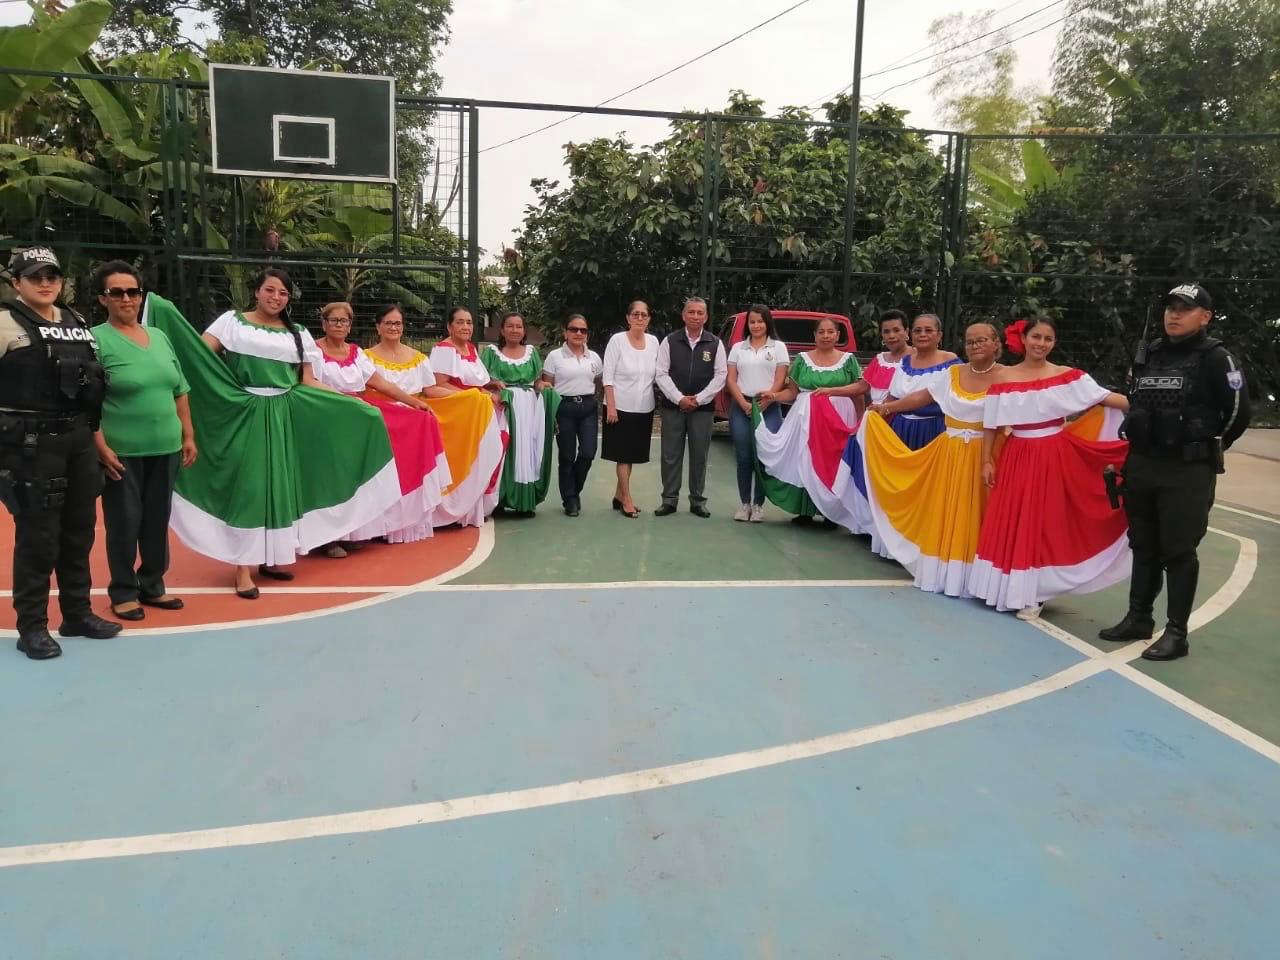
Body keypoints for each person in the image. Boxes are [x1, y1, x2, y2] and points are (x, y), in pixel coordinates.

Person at [144, 268, 399, 599]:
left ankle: (272, 557)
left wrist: (354, 403)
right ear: (257, 291)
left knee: (281, 485)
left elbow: (308, 381)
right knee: (250, 487)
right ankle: (242, 568)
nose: (276, 297)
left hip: (284, 416)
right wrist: (165, 315)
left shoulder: (299, 334)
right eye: (270, 290)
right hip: (245, 413)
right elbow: (198, 357)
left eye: (283, 293)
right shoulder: (231, 322)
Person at [1099, 283, 1252, 661]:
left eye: (1185, 308)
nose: (1174, 315)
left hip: (1186, 469)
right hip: (1144, 463)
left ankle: (1176, 633)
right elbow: (1137, 402)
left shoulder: (1216, 358)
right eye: (1170, 307)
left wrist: (1207, 446)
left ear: (1205, 316)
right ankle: (1138, 617)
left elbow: (1238, 413)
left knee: (1179, 550)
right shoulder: (1150, 353)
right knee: (1143, 544)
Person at [968, 317, 1131, 620]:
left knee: (1043, 522)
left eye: (1048, 338)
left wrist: (1150, 407)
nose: (1041, 343)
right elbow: (991, 423)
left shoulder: (1068, 376)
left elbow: (1107, 398)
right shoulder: (1004, 377)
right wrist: (987, 461)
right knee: (1012, 517)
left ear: (1054, 343)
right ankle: (1005, 588)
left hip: (1053, 455)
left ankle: (1036, 592)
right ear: (1023, 339)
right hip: (1016, 455)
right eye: (1036, 337)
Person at [0, 247, 117, 659]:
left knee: (79, 530)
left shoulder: (76, 322)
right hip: (30, 445)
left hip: (78, 439)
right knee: (39, 536)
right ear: (16, 283)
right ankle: (32, 626)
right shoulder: (4, 323)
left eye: (52, 276)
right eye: (35, 277)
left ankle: (77, 614)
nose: (46, 283)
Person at [862, 322, 1004, 596]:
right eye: (970, 341)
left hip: (986, 454)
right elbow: (922, 397)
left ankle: (979, 577)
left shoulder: (1007, 376)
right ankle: (949, 573)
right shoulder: (953, 373)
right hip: (950, 452)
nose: (975, 345)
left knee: (981, 513)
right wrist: (886, 407)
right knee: (948, 509)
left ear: (996, 343)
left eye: (982, 340)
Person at [91, 260, 197, 622]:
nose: (127, 299)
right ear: (103, 298)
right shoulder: (95, 340)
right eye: (117, 292)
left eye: (133, 292)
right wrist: (100, 445)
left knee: (156, 519)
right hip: (121, 452)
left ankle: (152, 583)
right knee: (124, 522)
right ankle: (123, 591)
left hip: (166, 448)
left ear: (141, 296)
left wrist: (188, 434)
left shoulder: (160, 337)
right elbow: (87, 401)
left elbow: (179, 389)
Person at [311, 301, 451, 547]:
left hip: (357, 416)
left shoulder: (356, 353)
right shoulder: (313, 351)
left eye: (344, 321)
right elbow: (307, 381)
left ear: (350, 325)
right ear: (324, 324)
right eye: (334, 320)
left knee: (356, 473)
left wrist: (413, 402)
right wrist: (342, 399)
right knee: (334, 474)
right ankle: (329, 539)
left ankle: (351, 533)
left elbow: (381, 383)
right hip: (328, 414)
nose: (339, 325)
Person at [364, 305, 505, 528]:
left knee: (411, 474)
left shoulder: (417, 358)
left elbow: (430, 390)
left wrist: (471, 397)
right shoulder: (365, 358)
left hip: (412, 423)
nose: (393, 327)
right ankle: (380, 524)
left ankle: (407, 522)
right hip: (383, 422)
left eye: (398, 323)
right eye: (388, 323)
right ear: (378, 327)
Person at [754, 316, 864, 528]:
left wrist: (859, 422)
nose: (825, 336)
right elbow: (792, 392)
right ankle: (805, 510)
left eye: (830, 332)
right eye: (821, 332)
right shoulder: (803, 360)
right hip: (807, 418)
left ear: (838, 335)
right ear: (814, 335)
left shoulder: (848, 360)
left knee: (834, 462)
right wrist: (773, 396)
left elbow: (858, 392)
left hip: (839, 419)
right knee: (805, 459)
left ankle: (831, 513)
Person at [654, 296, 727, 518]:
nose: (695, 316)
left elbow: (721, 375)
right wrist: (679, 398)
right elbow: (661, 373)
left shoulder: (715, 343)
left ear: (706, 316)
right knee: (670, 455)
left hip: (702, 410)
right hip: (673, 407)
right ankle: (669, 500)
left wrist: (699, 399)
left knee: (699, 455)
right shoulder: (670, 341)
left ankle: (697, 501)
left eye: (700, 313)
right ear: (683, 315)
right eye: (691, 312)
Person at [482, 311, 560, 515]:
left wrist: (544, 387)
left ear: (524, 331)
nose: (514, 330)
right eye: (510, 326)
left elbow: (537, 382)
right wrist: (494, 383)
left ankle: (524, 502)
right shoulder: (491, 352)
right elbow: (481, 380)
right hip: (503, 406)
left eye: (518, 326)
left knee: (526, 451)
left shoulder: (531, 352)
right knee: (502, 450)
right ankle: (499, 500)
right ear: (502, 330)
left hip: (527, 407)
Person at [725, 304, 789, 522]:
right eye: (752, 322)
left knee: (763, 456)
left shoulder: (778, 347)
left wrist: (768, 399)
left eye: (760, 321)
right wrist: (743, 403)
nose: (756, 325)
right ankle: (745, 504)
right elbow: (731, 379)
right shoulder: (738, 348)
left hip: (768, 408)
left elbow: (780, 378)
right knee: (743, 457)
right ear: (748, 324)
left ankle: (758, 505)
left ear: (767, 323)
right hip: (741, 406)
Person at [602, 300, 659, 518]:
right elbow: (608, 377)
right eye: (635, 314)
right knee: (623, 456)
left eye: (644, 315)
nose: (640, 318)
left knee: (631, 455)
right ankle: (627, 500)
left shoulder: (654, 342)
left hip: (644, 408)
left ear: (649, 319)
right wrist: (611, 407)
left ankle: (619, 496)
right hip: (619, 407)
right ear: (628, 318)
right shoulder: (617, 341)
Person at [542, 314, 602, 516]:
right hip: (564, 408)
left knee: (588, 452)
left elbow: (599, 383)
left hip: (588, 407)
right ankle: (570, 499)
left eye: (583, 330)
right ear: (565, 332)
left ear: (587, 334)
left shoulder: (594, 357)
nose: (578, 333)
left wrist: (593, 402)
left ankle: (573, 491)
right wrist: (551, 414)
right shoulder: (555, 357)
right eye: (574, 329)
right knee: (567, 456)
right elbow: (547, 386)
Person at [886, 313, 961, 449]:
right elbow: (891, 397)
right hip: (901, 429)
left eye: (928, 330)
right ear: (911, 335)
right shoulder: (905, 362)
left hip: (934, 430)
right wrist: (873, 416)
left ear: (939, 335)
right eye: (917, 330)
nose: (922, 334)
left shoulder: (950, 361)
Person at [859, 309, 914, 404]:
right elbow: (862, 386)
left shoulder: (918, 358)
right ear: (882, 335)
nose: (891, 336)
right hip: (875, 412)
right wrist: (832, 390)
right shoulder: (879, 360)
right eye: (886, 332)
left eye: (896, 330)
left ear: (906, 331)